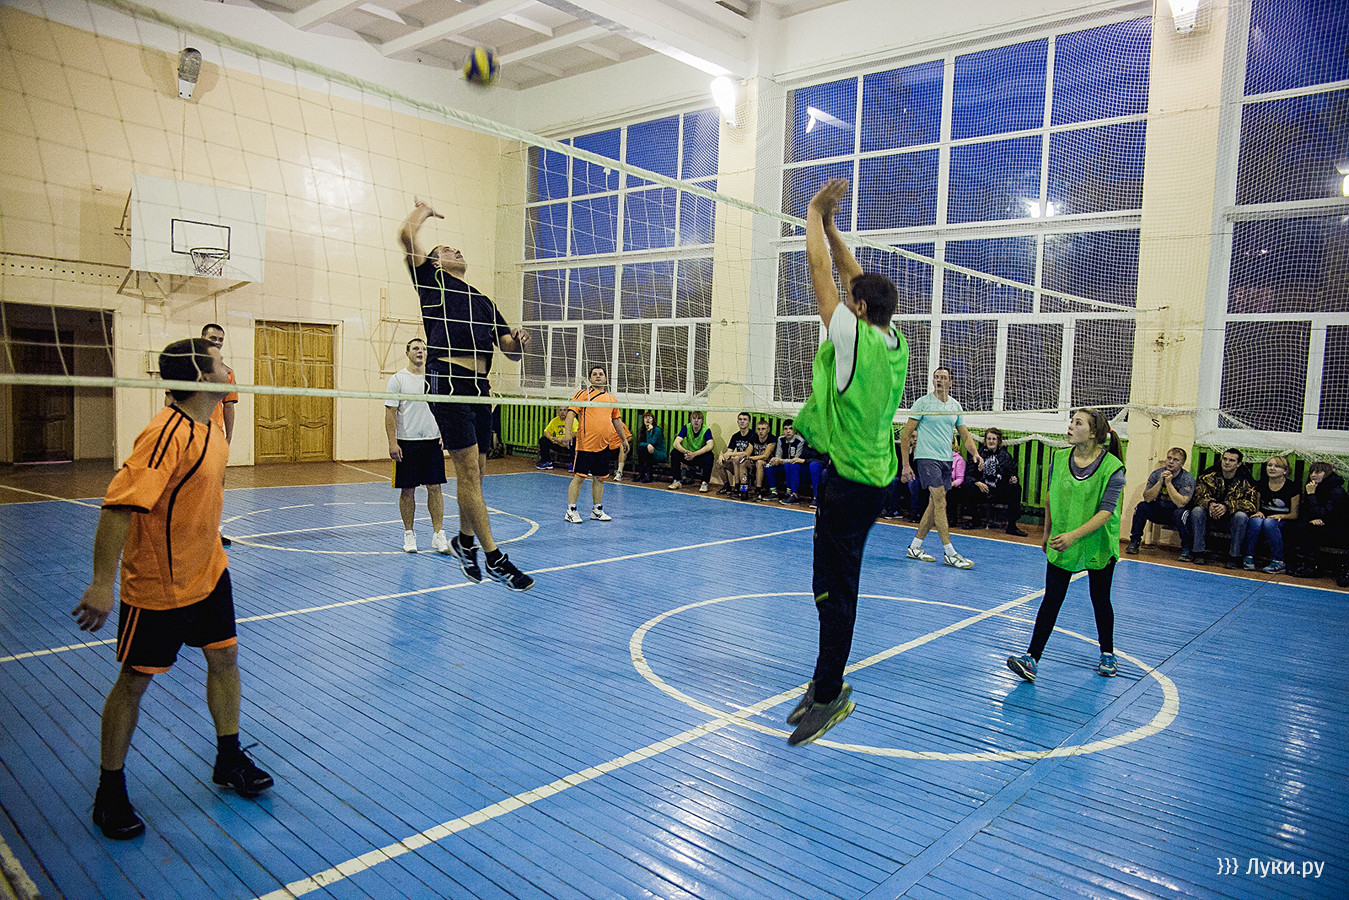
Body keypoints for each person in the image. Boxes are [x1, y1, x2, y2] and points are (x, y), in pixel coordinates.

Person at [72, 338, 273, 841]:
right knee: (134, 682)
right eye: (220, 363)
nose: (228, 367)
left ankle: (229, 758)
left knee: (224, 658)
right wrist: (101, 583)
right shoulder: (166, 433)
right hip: (158, 583)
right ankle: (109, 793)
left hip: (209, 572)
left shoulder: (212, 425)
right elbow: (118, 506)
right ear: (201, 377)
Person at [786, 178, 908, 747]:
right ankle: (823, 679)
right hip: (873, 479)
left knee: (833, 591)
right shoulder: (893, 340)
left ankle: (831, 693)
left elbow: (821, 277)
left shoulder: (853, 337)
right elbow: (854, 280)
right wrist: (836, 229)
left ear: (858, 310)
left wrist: (813, 216)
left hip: (852, 484)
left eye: (851, 300)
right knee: (835, 585)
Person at [400, 197, 533, 591]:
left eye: (456, 248)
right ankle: (495, 558)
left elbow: (509, 350)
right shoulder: (432, 283)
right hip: (448, 379)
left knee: (478, 473)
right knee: (470, 472)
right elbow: (406, 235)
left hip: (480, 387)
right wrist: (424, 211)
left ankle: (464, 540)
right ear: (436, 262)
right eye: (446, 249)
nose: (455, 250)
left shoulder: (483, 300)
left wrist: (518, 340)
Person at [1007, 409, 1126, 683]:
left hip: (1097, 542)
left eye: (1078, 423)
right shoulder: (1059, 459)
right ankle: (1031, 659)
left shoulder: (1113, 468)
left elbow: (1106, 512)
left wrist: (1074, 536)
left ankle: (1108, 654)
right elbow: (1051, 497)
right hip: (1063, 541)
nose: (1070, 426)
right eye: (1071, 421)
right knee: (1052, 598)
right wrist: (1047, 532)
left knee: (1100, 599)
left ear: (1093, 433)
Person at [899, 367, 982, 569]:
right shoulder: (923, 403)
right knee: (940, 500)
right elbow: (905, 435)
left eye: (943, 378)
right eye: (936, 377)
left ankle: (915, 546)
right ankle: (950, 553)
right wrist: (906, 465)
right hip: (927, 458)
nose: (939, 380)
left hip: (946, 459)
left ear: (950, 382)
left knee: (934, 504)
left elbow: (965, 435)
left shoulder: (955, 406)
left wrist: (975, 453)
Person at [166, 324, 238, 546]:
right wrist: (171, 429)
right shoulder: (187, 367)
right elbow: (170, 400)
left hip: (214, 438)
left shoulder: (226, 373)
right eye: (213, 338)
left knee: (215, 487)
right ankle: (181, 530)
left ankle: (212, 531)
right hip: (189, 436)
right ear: (202, 338)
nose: (217, 342)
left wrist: (228, 437)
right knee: (185, 485)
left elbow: (229, 405)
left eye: (220, 339)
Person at [385, 338, 448, 553]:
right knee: (408, 490)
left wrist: (445, 432)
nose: (420, 352)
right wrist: (392, 442)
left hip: (432, 441)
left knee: (435, 488)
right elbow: (390, 413)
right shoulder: (398, 379)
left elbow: (443, 408)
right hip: (407, 443)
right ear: (407, 353)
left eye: (423, 349)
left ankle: (438, 535)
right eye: (415, 349)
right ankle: (409, 534)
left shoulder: (434, 378)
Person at [563, 364, 628, 523]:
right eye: (594, 374)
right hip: (585, 445)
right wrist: (567, 434)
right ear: (590, 378)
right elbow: (571, 414)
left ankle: (597, 510)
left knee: (600, 478)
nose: (598, 376)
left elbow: (616, 420)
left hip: (603, 445)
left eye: (601, 374)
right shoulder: (583, 394)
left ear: (605, 378)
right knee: (580, 477)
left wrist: (624, 439)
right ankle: (571, 510)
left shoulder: (611, 398)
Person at [1179, 448, 1257, 566]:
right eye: (1225, 459)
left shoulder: (1246, 480)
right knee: (1197, 511)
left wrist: (1227, 507)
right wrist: (1210, 504)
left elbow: (1252, 504)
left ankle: (1234, 557)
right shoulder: (1208, 476)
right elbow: (1198, 496)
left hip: (1231, 517)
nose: (1227, 462)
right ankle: (1198, 552)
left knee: (1241, 516)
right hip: (1210, 514)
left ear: (1238, 464)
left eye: (1231, 460)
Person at [1124, 447, 1194, 555]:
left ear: (1182, 464)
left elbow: (1181, 503)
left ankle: (1186, 548)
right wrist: (1160, 482)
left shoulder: (1187, 478)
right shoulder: (1156, 474)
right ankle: (1134, 542)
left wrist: (1169, 483)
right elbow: (1147, 498)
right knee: (1141, 507)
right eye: (1169, 458)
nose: (1170, 462)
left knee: (1182, 514)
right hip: (1160, 509)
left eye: (1175, 460)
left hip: (1175, 512)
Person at [958, 427, 1027, 536]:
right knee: (967, 486)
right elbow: (968, 475)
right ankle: (975, 519)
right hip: (982, 490)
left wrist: (1013, 479)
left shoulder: (1006, 456)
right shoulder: (977, 454)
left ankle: (1012, 526)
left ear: (998, 441)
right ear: (985, 440)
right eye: (989, 439)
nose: (991, 441)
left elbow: (1012, 473)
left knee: (1016, 488)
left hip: (999, 490)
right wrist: (977, 482)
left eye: (994, 439)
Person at [1285, 462, 1347, 579]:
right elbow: (1306, 511)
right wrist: (1313, 518)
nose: (1313, 475)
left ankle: (1311, 566)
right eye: (1311, 472)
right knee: (1297, 526)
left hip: (1337, 529)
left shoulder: (1336, 492)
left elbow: (1327, 514)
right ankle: (1298, 563)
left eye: (1318, 472)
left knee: (1307, 530)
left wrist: (1311, 495)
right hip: (1319, 523)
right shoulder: (1315, 487)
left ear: (1327, 473)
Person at [1241, 455, 1298, 572]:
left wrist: (1281, 516)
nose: (1272, 468)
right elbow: (1256, 507)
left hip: (1283, 521)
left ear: (1285, 471)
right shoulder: (1262, 484)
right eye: (1269, 465)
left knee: (1269, 522)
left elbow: (1294, 514)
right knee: (1255, 520)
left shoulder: (1292, 488)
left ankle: (1279, 561)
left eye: (1277, 466)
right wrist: (1258, 512)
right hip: (1264, 518)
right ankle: (1248, 557)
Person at [668, 411, 714, 492]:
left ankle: (704, 482)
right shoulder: (686, 427)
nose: (696, 421)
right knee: (674, 452)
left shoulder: (706, 430)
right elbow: (676, 443)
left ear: (702, 421)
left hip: (698, 456)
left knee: (710, 455)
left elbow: (710, 446)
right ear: (691, 420)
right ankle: (677, 481)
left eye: (699, 419)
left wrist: (694, 454)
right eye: (694, 418)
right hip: (688, 456)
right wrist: (685, 451)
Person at [766, 419, 809, 503]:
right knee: (769, 465)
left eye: (790, 428)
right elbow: (778, 456)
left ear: (794, 430)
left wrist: (781, 460)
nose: (788, 431)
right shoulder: (780, 439)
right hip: (783, 464)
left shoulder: (800, 441)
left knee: (789, 465)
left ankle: (789, 492)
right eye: (785, 429)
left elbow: (795, 459)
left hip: (795, 466)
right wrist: (775, 460)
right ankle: (773, 492)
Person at [717, 412, 755, 495]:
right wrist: (722, 456)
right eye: (740, 419)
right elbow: (729, 451)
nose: (742, 421)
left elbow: (747, 453)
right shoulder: (735, 436)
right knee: (720, 462)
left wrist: (731, 454)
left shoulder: (753, 435)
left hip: (749, 463)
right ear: (737, 422)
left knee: (737, 459)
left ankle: (738, 487)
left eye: (745, 419)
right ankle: (727, 486)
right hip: (737, 463)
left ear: (749, 422)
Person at [745, 419, 777, 501]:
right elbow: (748, 452)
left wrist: (751, 458)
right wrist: (746, 456)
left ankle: (758, 490)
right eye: (758, 429)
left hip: (768, 463)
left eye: (763, 429)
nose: (760, 432)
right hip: (754, 461)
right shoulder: (754, 437)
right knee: (743, 462)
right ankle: (741, 488)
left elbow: (765, 456)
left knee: (759, 462)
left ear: (768, 430)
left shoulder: (772, 439)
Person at [633, 411, 667, 483]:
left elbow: (652, 442)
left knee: (646, 449)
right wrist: (647, 445)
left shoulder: (657, 430)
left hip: (659, 453)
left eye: (650, 418)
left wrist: (649, 431)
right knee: (641, 449)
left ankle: (649, 475)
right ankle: (641, 473)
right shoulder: (643, 430)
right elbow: (640, 443)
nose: (647, 419)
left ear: (653, 420)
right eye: (645, 418)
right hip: (649, 452)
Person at [536, 405, 570, 469]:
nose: (562, 412)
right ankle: (547, 462)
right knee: (543, 440)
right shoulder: (554, 421)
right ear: (557, 411)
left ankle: (573, 464)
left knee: (574, 440)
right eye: (560, 410)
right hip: (558, 445)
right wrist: (552, 439)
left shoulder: (573, 420)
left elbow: (575, 433)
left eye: (564, 410)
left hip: (568, 446)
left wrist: (563, 439)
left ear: (568, 411)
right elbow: (546, 431)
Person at [607, 418, 632, 482]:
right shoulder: (605, 425)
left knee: (622, 446)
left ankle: (619, 472)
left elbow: (629, 437)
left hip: (618, 449)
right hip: (608, 449)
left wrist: (624, 442)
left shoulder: (621, 425)